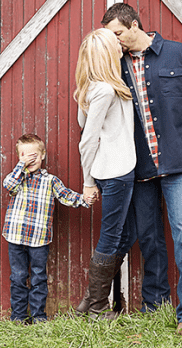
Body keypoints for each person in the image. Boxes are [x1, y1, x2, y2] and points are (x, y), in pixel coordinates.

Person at [102, 3, 182, 333]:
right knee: (150, 238)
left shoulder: (178, 55)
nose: (115, 42)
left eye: (118, 34)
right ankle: (155, 304)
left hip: (179, 162)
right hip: (138, 167)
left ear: (135, 25)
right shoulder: (116, 67)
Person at [73, 28, 137, 318]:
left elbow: (82, 119)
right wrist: (87, 182)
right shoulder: (106, 90)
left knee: (124, 233)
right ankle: (98, 307)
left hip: (118, 170)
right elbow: (87, 139)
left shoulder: (98, 86)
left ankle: (90, 300)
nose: (120, 45)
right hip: (115, 172)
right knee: (112, 237)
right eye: (115, 44)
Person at [2, 133, 93, 324]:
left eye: (34, 155)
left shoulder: (51, 181)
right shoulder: (18, 179)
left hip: (39, 239)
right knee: (18, 277)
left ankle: (38, 316)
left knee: (38, 277)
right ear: (19, 158)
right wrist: (22, 166)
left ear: (42, 156)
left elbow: (66, 196)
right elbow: (8, 184)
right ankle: (18, 316)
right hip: (16, 237)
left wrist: (84, 199)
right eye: (25, 156)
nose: (30, 159)